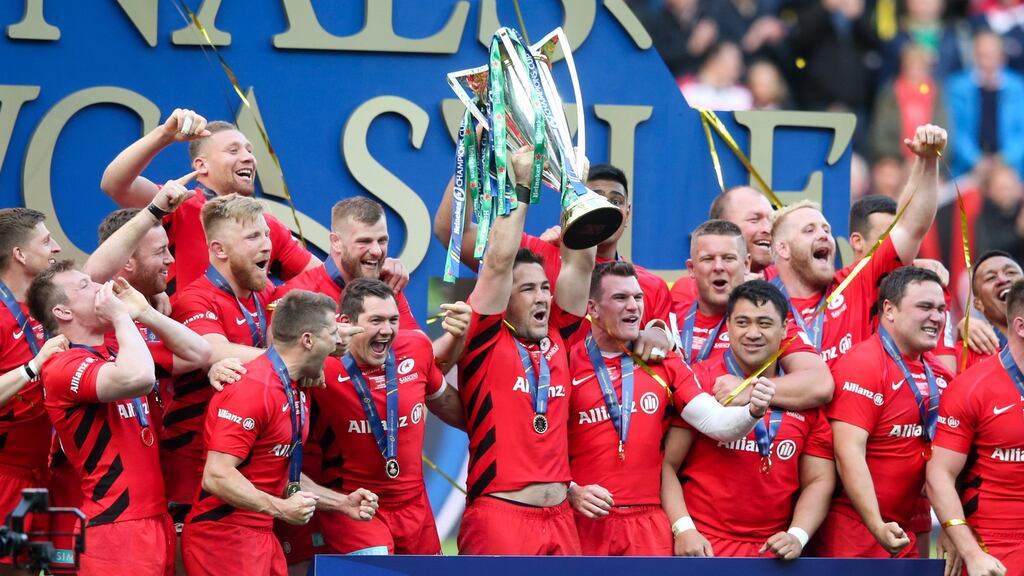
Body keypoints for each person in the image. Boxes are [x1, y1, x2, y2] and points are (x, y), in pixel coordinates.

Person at [567, 262, 776, 555]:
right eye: (620, 298)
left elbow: (716, 423)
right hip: (585, 520)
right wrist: (571, 490)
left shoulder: (664, 362)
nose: (633, 306)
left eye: (637, 298)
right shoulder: (566, 363)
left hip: (648, 525)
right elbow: (544, 448)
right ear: (593, 307)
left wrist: (752, 411)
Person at [454, 146, 593, 555]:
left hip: (561, 520)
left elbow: (580, 265)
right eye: (528, 289)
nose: (542, 297)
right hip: (500, 515)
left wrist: (573, 188)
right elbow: (496, 263)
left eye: (545, 288)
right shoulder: (483, 340)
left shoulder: (560, 336)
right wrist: (519, 185)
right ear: (505, 298)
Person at [28, 262, 210, 574]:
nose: (101, 288)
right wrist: (121, 316)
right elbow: (137, 378)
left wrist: (146, 314)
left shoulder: (120, 350)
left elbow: (199, 354)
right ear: (63, 312)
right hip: (115, 527)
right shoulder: (62, 365)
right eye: (85, 286)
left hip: (155, 519)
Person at [182, 290, 378, 575]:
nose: (338, 343)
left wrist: (342, 503)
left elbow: (283, 474)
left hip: (259, 535)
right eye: (332, 333)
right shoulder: (253, 389)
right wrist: (280, 508)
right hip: (223, 539)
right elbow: (217, 475)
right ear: (307, 340)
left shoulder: (295, 387)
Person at [662, 280, 835, 559]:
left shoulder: (803, 397)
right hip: (703, 547)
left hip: (774, 553)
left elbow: (819, 479)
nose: (752, 333)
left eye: (765, 323)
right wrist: (683, 529)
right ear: (727, 326)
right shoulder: (701, 380)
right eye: (742, 322)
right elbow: (667, 464)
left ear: (785, 330)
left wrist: (797, 535)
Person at [311, 278, 466, 555]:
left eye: (393, 320)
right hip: (359, 506)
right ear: (345, 321)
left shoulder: (417, 348)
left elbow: (447, 404)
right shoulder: (321, 364)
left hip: (415, 507)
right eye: (376, 320)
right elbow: (274, 369)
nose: (387, 330)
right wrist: (220, 367)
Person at [770, 124, 946, 365]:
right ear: (782, 248)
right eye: (809, 230)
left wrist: (927, 160)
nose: (824, 235)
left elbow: (909, 226)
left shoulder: (855, 284)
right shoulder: (762, 302)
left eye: (827, 230)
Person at [434, 163, 674, 333]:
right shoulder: (532, 258)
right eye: (592, 197)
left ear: (627, 213)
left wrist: (658, 335)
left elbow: (670, 355)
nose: (604, 207)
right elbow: (453, 232)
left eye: (615, 201)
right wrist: (470, 159)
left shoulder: (650, 287)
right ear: (568, 207)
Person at [99, 109, 319, 295]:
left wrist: (275, 300)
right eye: (233, 150)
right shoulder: (179, 206)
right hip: (184, 341)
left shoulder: (267, 226)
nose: (248, 157)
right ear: (201, 166)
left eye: (249, 151)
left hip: (248, 344)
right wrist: (163, 135)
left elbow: (321, 279)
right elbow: (114, 184)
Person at [814, 267, 954, 558]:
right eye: (925, 307)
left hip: (905, 531)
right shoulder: (864, 363)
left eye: (941, 309)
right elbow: (848, 452)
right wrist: (876, 524)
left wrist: (954, 528)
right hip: (855, 528)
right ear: (889, 309)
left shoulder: (939, 374)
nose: (937, 317)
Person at [162, 193, 281, 526]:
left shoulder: (266, 292)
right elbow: (211, 350)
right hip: (192, 466)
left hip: (247, 461)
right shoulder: (194, 298)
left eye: (267, 234)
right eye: (253, 237)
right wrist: (290, 362)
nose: (268, 245)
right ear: (219, 250)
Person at [672, 220, 832, 409]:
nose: (718, 267)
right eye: (708, 259)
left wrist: (749, 390)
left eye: (728, 258)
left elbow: (821, 384)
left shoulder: (767, 323)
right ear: (691, 268)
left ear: (747, 264)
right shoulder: (674, 318)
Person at [927, 278, 1024, 576]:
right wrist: (970, 552)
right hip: (997, 547)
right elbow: (939, 475)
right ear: (1021, 327)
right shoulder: (972, 387)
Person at [0, 208, 69, 562]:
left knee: (31, 568)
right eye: (46, 241)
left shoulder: (43, 309)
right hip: (5, 474)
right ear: (20, 254)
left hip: (41, 473)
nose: (55, 248)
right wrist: (33, 367)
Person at [670, 185, 775, 313]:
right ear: (722, 226)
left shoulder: (786, 280)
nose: (768, 228)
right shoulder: (688, 290)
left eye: (771, 219)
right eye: (754, 220)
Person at [946, 30, 1024, 178]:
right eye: (982, 55)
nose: (987, 60)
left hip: (1010, 169)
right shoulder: (957, 87)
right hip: (967, 169)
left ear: (1002, 57)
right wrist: (976, 160)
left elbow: (1021, 134)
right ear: (974, 56)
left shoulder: (1018, 87)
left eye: (992, 55)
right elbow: (954, 130)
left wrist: (1004, 159)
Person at [956, 251, 1023, 370]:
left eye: (1011, 272)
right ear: (979, 304)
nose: (1003, 280)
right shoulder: (968, 353)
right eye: (991, 278)